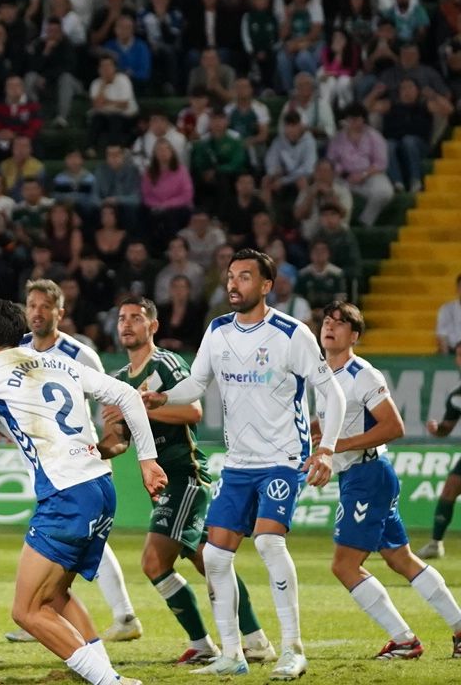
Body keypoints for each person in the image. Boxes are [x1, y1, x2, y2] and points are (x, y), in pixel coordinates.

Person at [0, 298, 165, 685]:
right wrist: (147, 461)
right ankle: (102, 673)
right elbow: (127, 395)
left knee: (26, 611)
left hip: (67, 495)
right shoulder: (58, 360)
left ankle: (110, 683)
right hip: (100, 486)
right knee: (55, 596)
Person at [142, 248, 346, 679]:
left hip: (282, 459)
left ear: (266, 285)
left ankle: (293, 648)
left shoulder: (292, 334)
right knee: (215, 557)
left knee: (270, 543)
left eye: (245, 277)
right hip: (237, 464)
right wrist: (162, 397)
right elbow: (196, 384)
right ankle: (233, 654)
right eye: (230, 276)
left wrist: (325, 448)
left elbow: (333, 393)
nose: (234, 284)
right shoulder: (217, 331)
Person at [100, 296, 275, 665]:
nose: (127, 324)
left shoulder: (165, 363)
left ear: (153, 327)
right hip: (160, 483)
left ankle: (202, 644)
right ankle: (256, 640)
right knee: (207, 560)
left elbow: (192, 410)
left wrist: (141, 407)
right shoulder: (117, 380)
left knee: (153, 563)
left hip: (185, 475)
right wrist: (97, 448)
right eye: (122, 318)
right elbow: (119, 441)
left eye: (136, 318)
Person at [0, 281, 140, 644]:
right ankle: (54, 612)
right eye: (32, 305)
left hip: (81, 460)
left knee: (74, 538)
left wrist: (106, 441)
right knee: (74, 540)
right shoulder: (20, 350)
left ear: (60, 312)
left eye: (46, 306)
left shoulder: (81, 353)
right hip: (45, 460)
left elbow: (107, 407)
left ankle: (101, 613)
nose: (38, 312)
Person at [317, 301, 461, 659]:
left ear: (355, 335)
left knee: (344, 565)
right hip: (358, 474)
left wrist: (337, 445)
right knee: (401, 559)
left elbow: (393, 426)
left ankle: (404, 640)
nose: (330, 326)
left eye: (341, 322)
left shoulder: (363, 374)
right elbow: (328, 422)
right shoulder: (321, 374)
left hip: (369, 474)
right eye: (327, 320)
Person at [417, 344, 461, 560]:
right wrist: (438, 429)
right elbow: (447, 427)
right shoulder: (456, 395)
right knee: (450, 489)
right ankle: (436, 543)